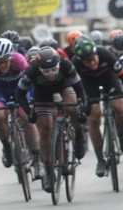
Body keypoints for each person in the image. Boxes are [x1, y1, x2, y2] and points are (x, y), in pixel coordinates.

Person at [16, 46, 88, 192]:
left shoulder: (66, 64)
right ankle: (49, 172)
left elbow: (80, 90)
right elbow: (20, 95)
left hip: (64, 86)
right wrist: (29, 112)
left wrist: (82, 110)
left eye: (54, 70)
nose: (51, 75)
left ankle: (79, 135)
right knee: (45, 129)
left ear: (58, 64)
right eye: (46, 71)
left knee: (72, 108)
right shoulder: (31, 69)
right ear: (39, 68)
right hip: (42, 93)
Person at [0, 38, 43, 177]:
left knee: (26, 118)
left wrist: (32, 101)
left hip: (20, 90)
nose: (2, 64)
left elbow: (31, 82)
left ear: (11, 57)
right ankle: (6, 146)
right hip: (1, 92)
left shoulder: (19, 60)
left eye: (5, 60)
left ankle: (37, 158)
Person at [71, 35, 123, 177]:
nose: (91, 63)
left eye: (92, 58)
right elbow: (74, 86)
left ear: (96, 52)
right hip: (88, 83)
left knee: (119, 108)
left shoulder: (105, 54)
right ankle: (100, 160)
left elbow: (120, 74)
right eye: (86, 61)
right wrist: (82, 103)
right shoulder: (75, 63)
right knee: (93, 117)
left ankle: (120, 132)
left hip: (109, 78)